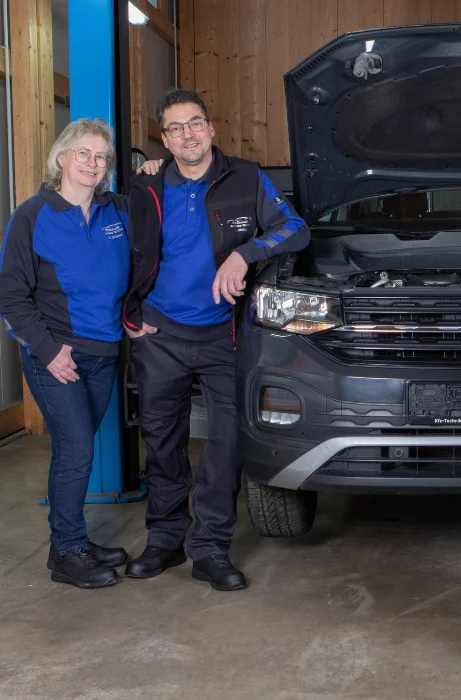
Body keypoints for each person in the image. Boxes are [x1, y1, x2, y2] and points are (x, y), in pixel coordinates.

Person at [121, 88, 310, 591]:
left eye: (195, 123)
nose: (188, 134)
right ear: (165, 140)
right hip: (160, 333)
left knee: (226, 444)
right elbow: (121, 254)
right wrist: (130, 312)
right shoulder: (147, 186)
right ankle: (164, 540)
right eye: (176, 128)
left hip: (224, 335)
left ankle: (209, 548)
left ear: (210, 128)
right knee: (162, 440)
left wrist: (244, 254)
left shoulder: (246, 178)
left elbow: (295, 229)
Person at [0, 118, 131, 589]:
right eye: (83, 154)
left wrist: (154, 170)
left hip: (104, 354)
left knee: (76, 450)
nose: (93, 164)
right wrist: (50, 351)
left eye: (101, 157)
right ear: (61, 158)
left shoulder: (117, 211)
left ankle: (68, 542)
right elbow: (11, 297)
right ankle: (68, 553)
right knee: (76, 451)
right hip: (56, 356)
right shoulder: (33, 215)